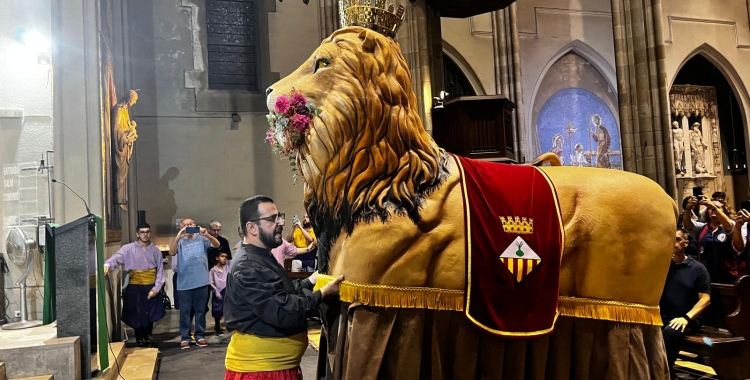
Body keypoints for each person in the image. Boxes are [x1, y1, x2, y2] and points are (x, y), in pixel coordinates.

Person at [224, 195, 344, 379]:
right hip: (261, 372)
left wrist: (310, 281)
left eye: (279, 216)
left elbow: (280, 291)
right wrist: (322, 293)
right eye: (272, 219)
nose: (280, 222)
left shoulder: (261, 256)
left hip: (275, 368)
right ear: (252, 227)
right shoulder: (247, 266)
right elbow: (283, 311)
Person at [104, 222, 166, 347]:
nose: (145, 234)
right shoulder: (128, 248)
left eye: (147, 232)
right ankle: (139, 337)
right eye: (142, 232)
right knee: (138, 312)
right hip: (136, 285)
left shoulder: (155, 250)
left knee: (150, 311)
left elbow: (160, 270)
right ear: (137, 234)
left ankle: (148, 335)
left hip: (151, 284)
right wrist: (107, 265)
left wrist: (156, 287)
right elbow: (117, 257)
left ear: (150, 233)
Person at [660, 228, 711, 377]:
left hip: (687, 320)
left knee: (670, 331)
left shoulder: (698, 269)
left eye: (677, 239)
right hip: (662, 316)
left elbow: (705, 299)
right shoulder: (663, 267)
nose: (673, 242)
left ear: (686, 243)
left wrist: (686, 318)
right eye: (670, 239)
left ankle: (664, 374)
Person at [169, 218, 221, 349]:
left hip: (201, 281)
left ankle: (200, 336)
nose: (188, 227)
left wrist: (207, 234)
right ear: (181, 227)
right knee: (185, 312)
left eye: (190, 224)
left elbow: (216, 245)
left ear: (195, 225)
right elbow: (171, 252)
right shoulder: (179, 241)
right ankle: (185, 337)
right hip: (184, 283)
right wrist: (178, 236)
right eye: (185, 225)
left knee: (200, 311)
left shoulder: (201, 239)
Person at [683, 195, 741, 283]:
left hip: (728, 277)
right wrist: (687, 209)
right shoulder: (702, 228)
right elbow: (688, 225)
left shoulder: (728, 224)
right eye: (709, 208)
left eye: (717, 207)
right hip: (706, 276)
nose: (712, 210)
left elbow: (729, 226)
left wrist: (712, 206)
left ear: (724, 211)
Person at [111, 89, 139, 211]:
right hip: (121, 145)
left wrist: (131, 132)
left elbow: (125, 126)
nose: (134, 103)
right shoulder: (119, 109)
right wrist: (126, 136)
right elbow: (116, 129)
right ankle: (118, 199)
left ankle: (122, 199)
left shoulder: (125, 111)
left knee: (124, 172)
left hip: (126, 146)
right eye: (134, 100)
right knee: (120, 172)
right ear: (128, 99)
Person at [210, 252, 229, 336]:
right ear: (217, 258)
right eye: (222, 256)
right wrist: (216, 291)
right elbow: (211, 282)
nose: (224, 258)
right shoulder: (213, 270)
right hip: (219, 291)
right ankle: (217, 326)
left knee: (228, 309)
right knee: (217, 309)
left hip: (227, 290)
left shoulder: (227, 268)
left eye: (226, 257)